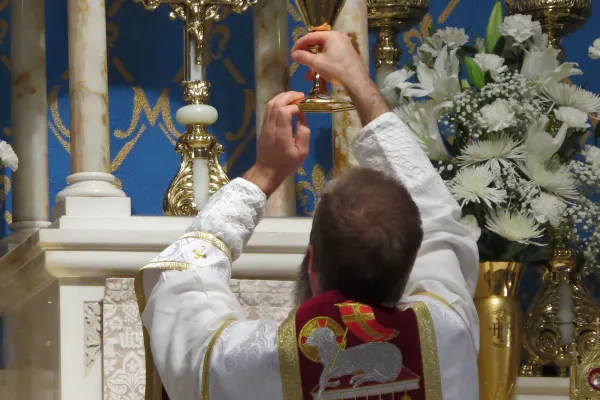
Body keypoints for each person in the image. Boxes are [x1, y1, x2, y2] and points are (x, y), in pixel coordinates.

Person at [136, 31, 479, 400]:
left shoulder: (254, 363)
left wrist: (265, 173)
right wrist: (358, 82)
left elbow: (183, 279)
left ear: (312, 263)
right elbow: (437, 216)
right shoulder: (446, 338)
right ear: (412, 264)